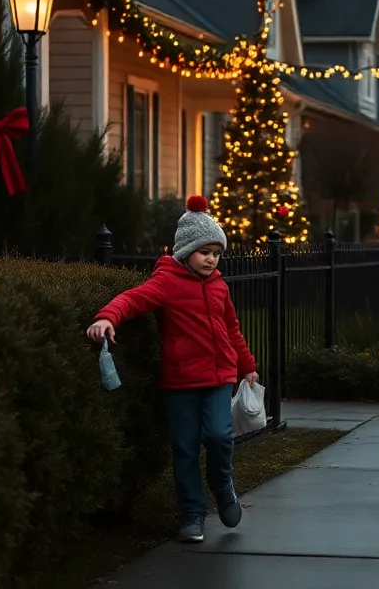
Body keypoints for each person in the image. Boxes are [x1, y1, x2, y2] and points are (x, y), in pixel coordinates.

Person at [86, 195, 258, 544]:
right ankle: (192, 512)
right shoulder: (167, 282)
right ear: (185, 251)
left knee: (219, 436)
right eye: (204, 252)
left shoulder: (220, 287)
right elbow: (133, 299)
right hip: (180, 380)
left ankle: (222, 484)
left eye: (216, 253)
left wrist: (247, 366)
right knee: (184, 449)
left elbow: (232, 329)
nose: (211, 259)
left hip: (219, 377)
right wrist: (107, 316)